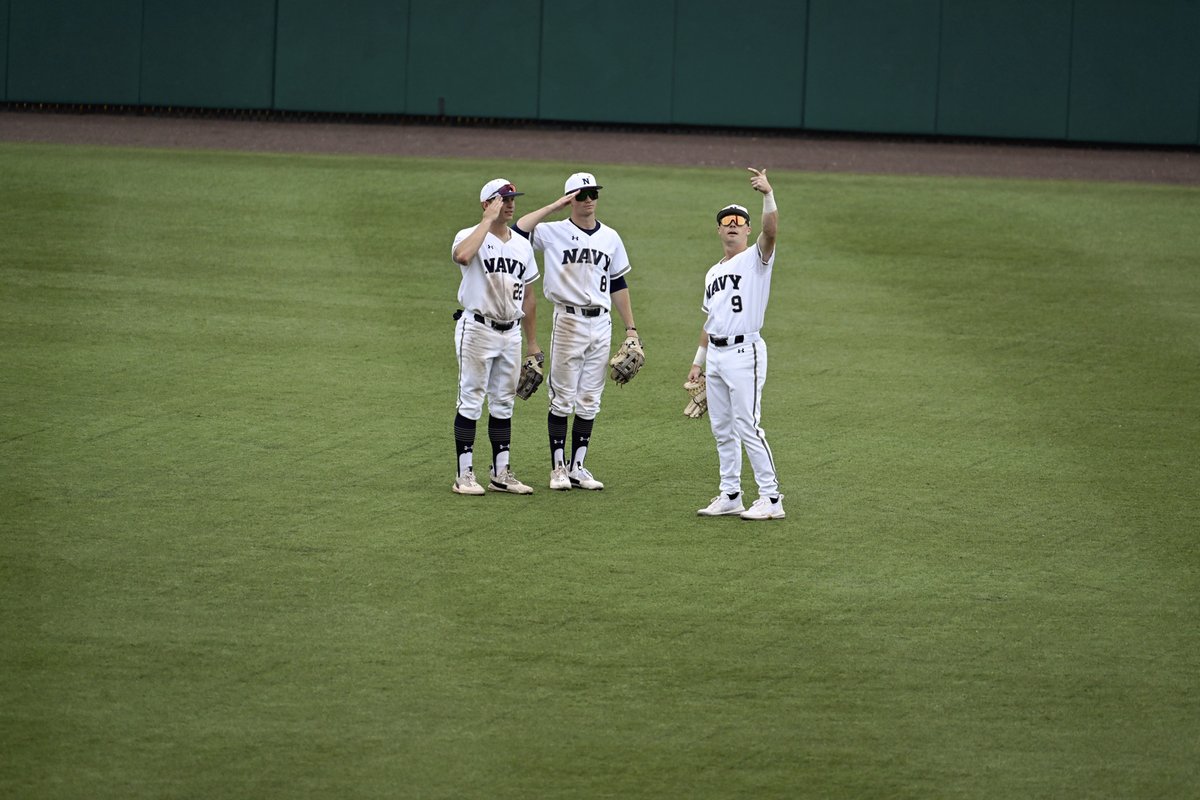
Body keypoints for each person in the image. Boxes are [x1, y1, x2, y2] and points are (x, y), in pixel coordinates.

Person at [514, 172, 639, 491]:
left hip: (602, 323)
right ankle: (557, 468)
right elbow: (519, 230)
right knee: (562, 398)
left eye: (593, 194)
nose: (588, 200)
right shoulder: (552, 232)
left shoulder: (611, 237)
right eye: (581, 195)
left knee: (590, 398)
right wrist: (555, 206)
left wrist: (631, 329)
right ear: (570, 199)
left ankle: (577, 466)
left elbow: (618, 283)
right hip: (568, 320)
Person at [687, 168, 784, 520]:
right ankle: (731, 493)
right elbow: (709, 320)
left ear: (746, 229)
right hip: (716, 355)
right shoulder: (712, 272)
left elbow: (771, 231)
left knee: (748, 424)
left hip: (746, 352)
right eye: (726, 220)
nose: (732, 224)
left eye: (739, 221)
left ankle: (772, 499)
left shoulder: (756, 259)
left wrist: (767, 194)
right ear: (718, 229)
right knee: (722, 428)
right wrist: (698, 362)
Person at [449, 178, 540, 495]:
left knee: (503, 404)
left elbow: (529, 297)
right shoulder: (469, 235)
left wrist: (533, 345)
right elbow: (462, 256)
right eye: (503, 199)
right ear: (487, 204)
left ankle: (500, 473)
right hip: (477, 329)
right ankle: (464, 475)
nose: (511, 204)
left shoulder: (522, 245)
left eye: (513, 199)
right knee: (471, 400)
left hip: (511, 333)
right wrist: (487, 221)